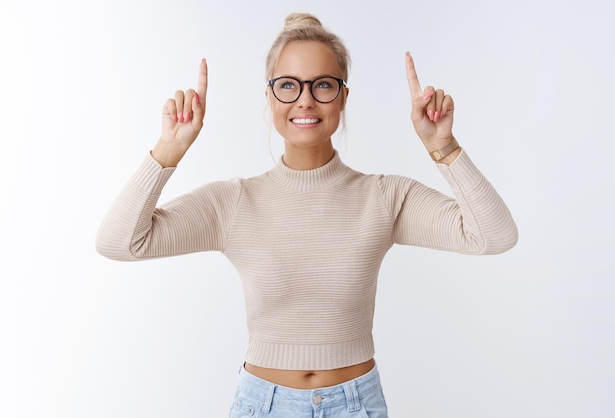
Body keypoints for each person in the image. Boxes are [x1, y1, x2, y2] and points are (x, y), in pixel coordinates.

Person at [96, 12, 518, 418]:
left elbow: (493, 236)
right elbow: (119, 242)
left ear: (344, 96)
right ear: (269, 95)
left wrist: (442, 146)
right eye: (288, 85)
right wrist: (168, 151)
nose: (305, 100)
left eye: (322, 85)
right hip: (262, 405)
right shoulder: (233, 203)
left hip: (358, 404)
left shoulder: (384, 197)